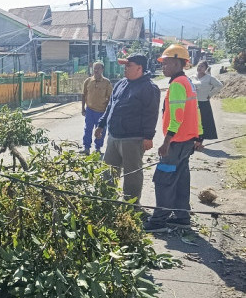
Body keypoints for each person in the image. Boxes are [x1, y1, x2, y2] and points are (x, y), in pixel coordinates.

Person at [143, 44, 203, 233]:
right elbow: (197, 112)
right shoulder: (188, 83)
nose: (163, 67)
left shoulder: (177, 84)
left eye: (166, 63)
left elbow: (178, 115)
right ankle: (181, 217)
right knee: (181, 178)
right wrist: (199, 136)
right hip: (187, 141)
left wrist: (167, 140)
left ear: (178, 63)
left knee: (164, 179)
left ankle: (159, 221)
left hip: (176, 143)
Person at [95, 53, 160, 203]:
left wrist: (148, 137)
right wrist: (101, 124)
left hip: (133, 138)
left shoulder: (149, 88)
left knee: (132, 174)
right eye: (125, 65)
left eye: (128, 65)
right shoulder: (121, 83)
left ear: (139, 68)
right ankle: (107, 202)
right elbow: (110, 106)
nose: (125, 69)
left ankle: (131, 205)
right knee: (108, 171)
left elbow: (151, 114)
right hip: (114, 137)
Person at [81, 61, 113, 154]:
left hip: (102, 111)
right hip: (90, 110)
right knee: (87, 129)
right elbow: (83, 95)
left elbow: (110, 98)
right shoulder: (88, 81)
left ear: (102, 70)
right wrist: (83, 108)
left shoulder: (107, 82)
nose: (96, 70)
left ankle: (98, 148)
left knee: (100, 131)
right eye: (95, 68)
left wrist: (108, 112)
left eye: (98, 68)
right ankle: (86, 147)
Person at [193, 60, 223, 140]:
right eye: (199, 66)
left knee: (203, 122)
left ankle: (200, 140)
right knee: (193, 121)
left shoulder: (209, 78)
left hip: (203, 103)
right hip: (192, 103)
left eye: (202, 66)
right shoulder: (192, 77)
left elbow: (219, 85)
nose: (199, 68)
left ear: (206, 68)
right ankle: (193, 139)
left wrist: (210, 94)